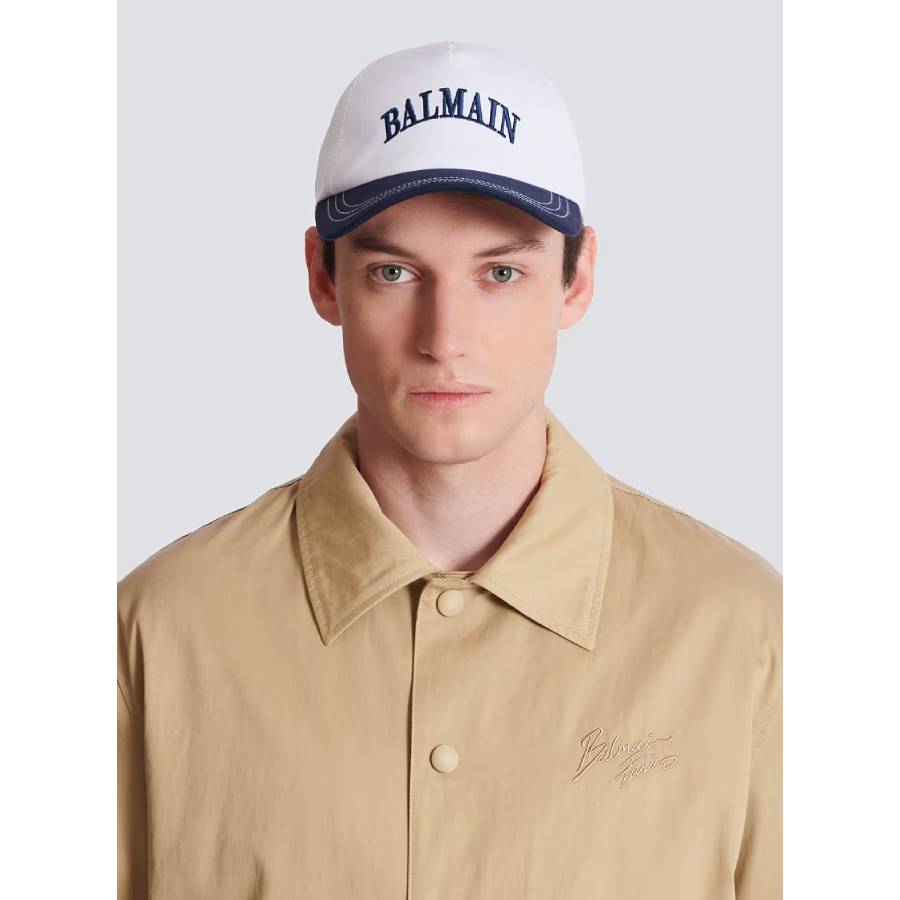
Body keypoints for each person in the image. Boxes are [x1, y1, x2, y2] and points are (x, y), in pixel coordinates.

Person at [118, 41, 781, 899]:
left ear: (577, 279)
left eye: (500, 272)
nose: (445, 337)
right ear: (323, 278)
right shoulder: (158, 630)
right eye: (394, 272)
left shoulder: (745, 633)